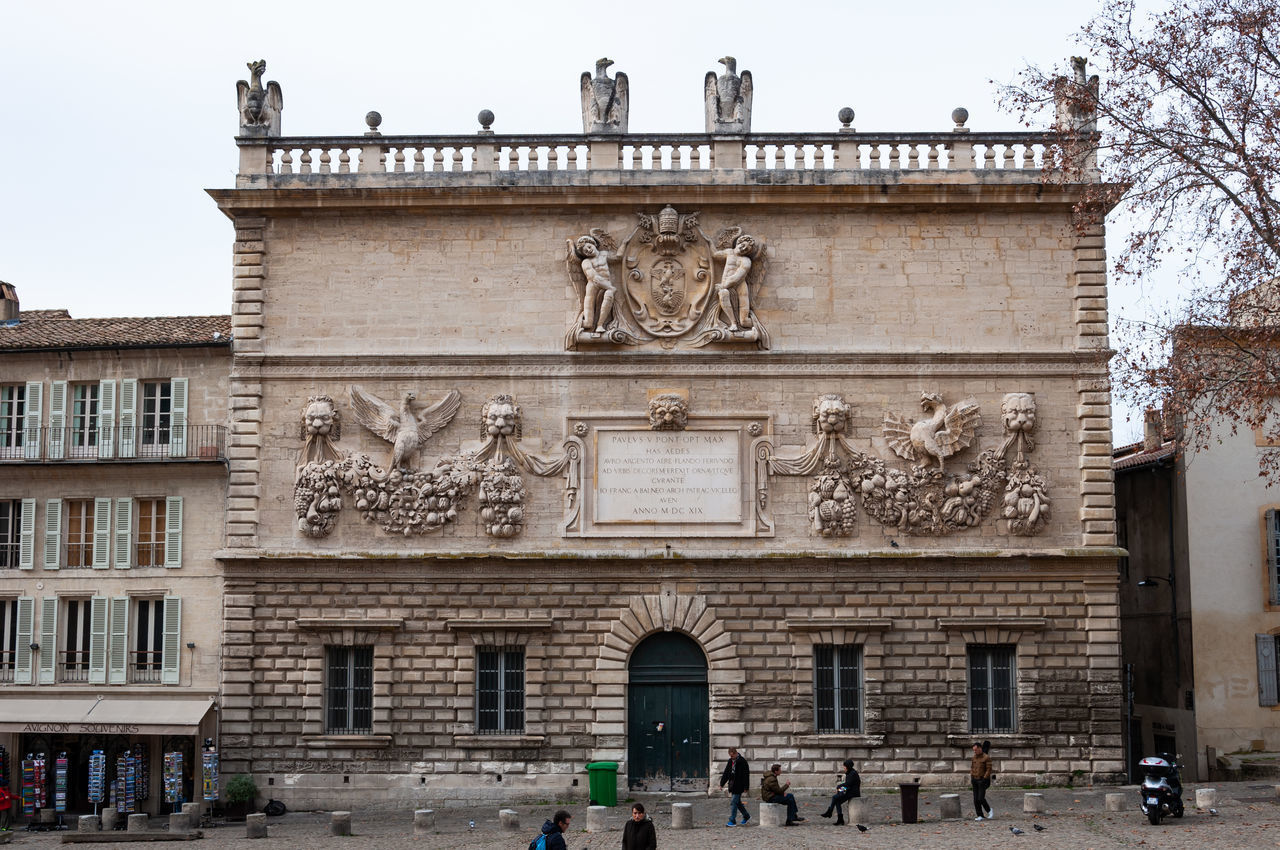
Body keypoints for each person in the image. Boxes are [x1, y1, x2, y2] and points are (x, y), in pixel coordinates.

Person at [713, 235, 756, 331]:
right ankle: (733, 323)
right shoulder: (729, 252)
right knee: (723, 293)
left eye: (747, 249)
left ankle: (758, 324)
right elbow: (714, 255)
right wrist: (708, 242)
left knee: (744, 321)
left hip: (740, 288)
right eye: (743, 245)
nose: (743, 248)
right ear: (738, 242)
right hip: (726, 287)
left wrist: (723, 285)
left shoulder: (746, 261)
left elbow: (737, 277)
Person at [820, 759, 860, 825]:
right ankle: (840, 819)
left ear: (848, 766)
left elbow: (848, 784)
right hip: (849, 790)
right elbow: (847, 785)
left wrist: (839, 787)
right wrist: (840, 790)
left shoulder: (853, 773)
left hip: (853, 792)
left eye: (844, 766)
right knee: (837, 801)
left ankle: (829, 812)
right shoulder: (850, 772)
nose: (843, 768)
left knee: (834, 797)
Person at [719, 746, 751, 826]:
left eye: (732, 756)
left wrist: (746, 787)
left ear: (736, 753)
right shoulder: (730, 761)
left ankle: (732, 820)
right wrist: (721, 784)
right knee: (737, 803)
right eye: (730, 756)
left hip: (739, 785)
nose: (731, 757)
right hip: (732, 785)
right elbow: (726, 773)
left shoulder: (742, 761)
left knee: (733, 802)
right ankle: (746, 816)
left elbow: (746, 775)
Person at [970, 742, 993, 821]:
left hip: (982, 780)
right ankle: (980, 815)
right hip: (974, 779)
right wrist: (972, 776)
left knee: (981, 798)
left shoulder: (986, 757)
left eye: (976, 750)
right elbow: (972, 767)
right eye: (974, 750)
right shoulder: (974, 757)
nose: (975, 751)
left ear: (980, 748)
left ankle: (989, 810)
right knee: (975, 799)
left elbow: (989, 769)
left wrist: (984, 778)